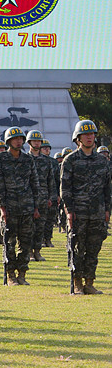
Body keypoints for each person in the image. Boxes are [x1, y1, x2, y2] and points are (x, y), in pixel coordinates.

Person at [60, 120, 111, 295]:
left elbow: (107, 188)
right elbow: (65, 188)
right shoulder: (71, 160)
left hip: (97, 212)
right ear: (78, 138)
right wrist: (68, 210)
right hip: (78, 212)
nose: (89, 137)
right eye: (85, 134)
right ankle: (77, 283)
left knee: (94, 247)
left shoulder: (102, 161)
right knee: (77, 248)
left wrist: (107, 210)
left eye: (92, 134)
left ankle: (89, 282)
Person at [0, 127, 41, 286]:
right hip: (10, 208)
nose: (19, 141)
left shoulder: (28, 160)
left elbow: (34, 183)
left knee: (26, 243)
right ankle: (11, 274)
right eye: (15, 139)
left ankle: (22, 273)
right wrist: (3, 208)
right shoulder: (0, 159)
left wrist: (35, 206)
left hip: (27, 207)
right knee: (9, 243)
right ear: (8, 141)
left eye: (20, 138)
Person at [25, 130, 53, 262]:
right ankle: (29, 251)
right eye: (34, 141)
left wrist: (50, 197)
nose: (37, 143)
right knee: (29, 226)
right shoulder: (24, 159)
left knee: (40, 226)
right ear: (29, 143)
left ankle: (37, 251)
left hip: (43, 198)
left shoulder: (47, 161)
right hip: (28, 198)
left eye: (38, 141)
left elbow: (50, 181)